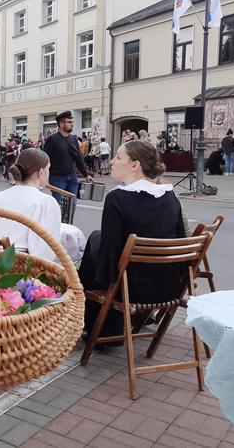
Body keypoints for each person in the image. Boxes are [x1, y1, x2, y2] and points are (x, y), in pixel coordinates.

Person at [78, 140, 186, 338]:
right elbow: (180, 243)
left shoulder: (117, 198)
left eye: (118, 157)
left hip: (130, 291)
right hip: (169, 288)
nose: (111, 161)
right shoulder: (170, 196)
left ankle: (101, 331)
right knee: (97, 239)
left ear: (135, 165)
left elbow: (110, 257)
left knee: (98, 248)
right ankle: (104, 329)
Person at [0, 148, 86, 263]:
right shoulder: (45, 202)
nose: (49, 173)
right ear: (41, 172)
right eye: (48, 169)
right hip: (23, 268)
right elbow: (44, 253)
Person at [43, 111, 91, 221]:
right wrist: (44, 177)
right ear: (61, 124)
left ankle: (68, 228)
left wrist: (86, 174)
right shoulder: (52, 140)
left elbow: (78, 158)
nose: (72, 124)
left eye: (72, 122)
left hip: (72, 178)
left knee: (72, 205)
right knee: (59, 206)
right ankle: (56, 228)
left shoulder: (73, 139)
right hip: (57, 178)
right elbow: (45, 159)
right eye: (69, 122)